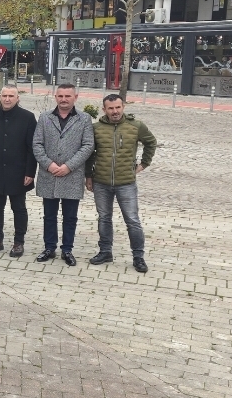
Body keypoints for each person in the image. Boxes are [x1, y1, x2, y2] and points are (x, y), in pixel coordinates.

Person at [85, 94, 157, 273]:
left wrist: (143, 164)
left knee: (132, 220)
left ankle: (138, 257)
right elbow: (90, 153)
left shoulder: (136, 126)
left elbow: (151, 142)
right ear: (104, 110)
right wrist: (88, 176)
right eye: (110, 108)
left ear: (123, 107)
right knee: (104, 218)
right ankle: (105, 252)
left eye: (117, 107)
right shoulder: (96, 128)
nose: (115, 111)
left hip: (126, 183)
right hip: (101, 182)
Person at [32, 83, 94, 267]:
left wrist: (69, 166)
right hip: (49, 174)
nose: (64, 99)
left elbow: (88, 145)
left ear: (75, 97)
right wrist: (49, 164)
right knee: (49, 215)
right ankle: (49, 247)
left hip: (71, 175)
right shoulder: (45, 117)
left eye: (68, 96)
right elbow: (37, 144)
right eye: (60, 96)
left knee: (70, 217)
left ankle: (67, 249)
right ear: (55, 97)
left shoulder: (84, 119)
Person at [0, 85, 37, 257]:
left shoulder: (28, 118)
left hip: (18, 171)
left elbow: (32, 148)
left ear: (17, 98)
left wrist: (30, 172)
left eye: (11, 96)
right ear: (0, 97)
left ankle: (19, 242)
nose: (7, 99)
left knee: (19, 208)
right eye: (4, 95)